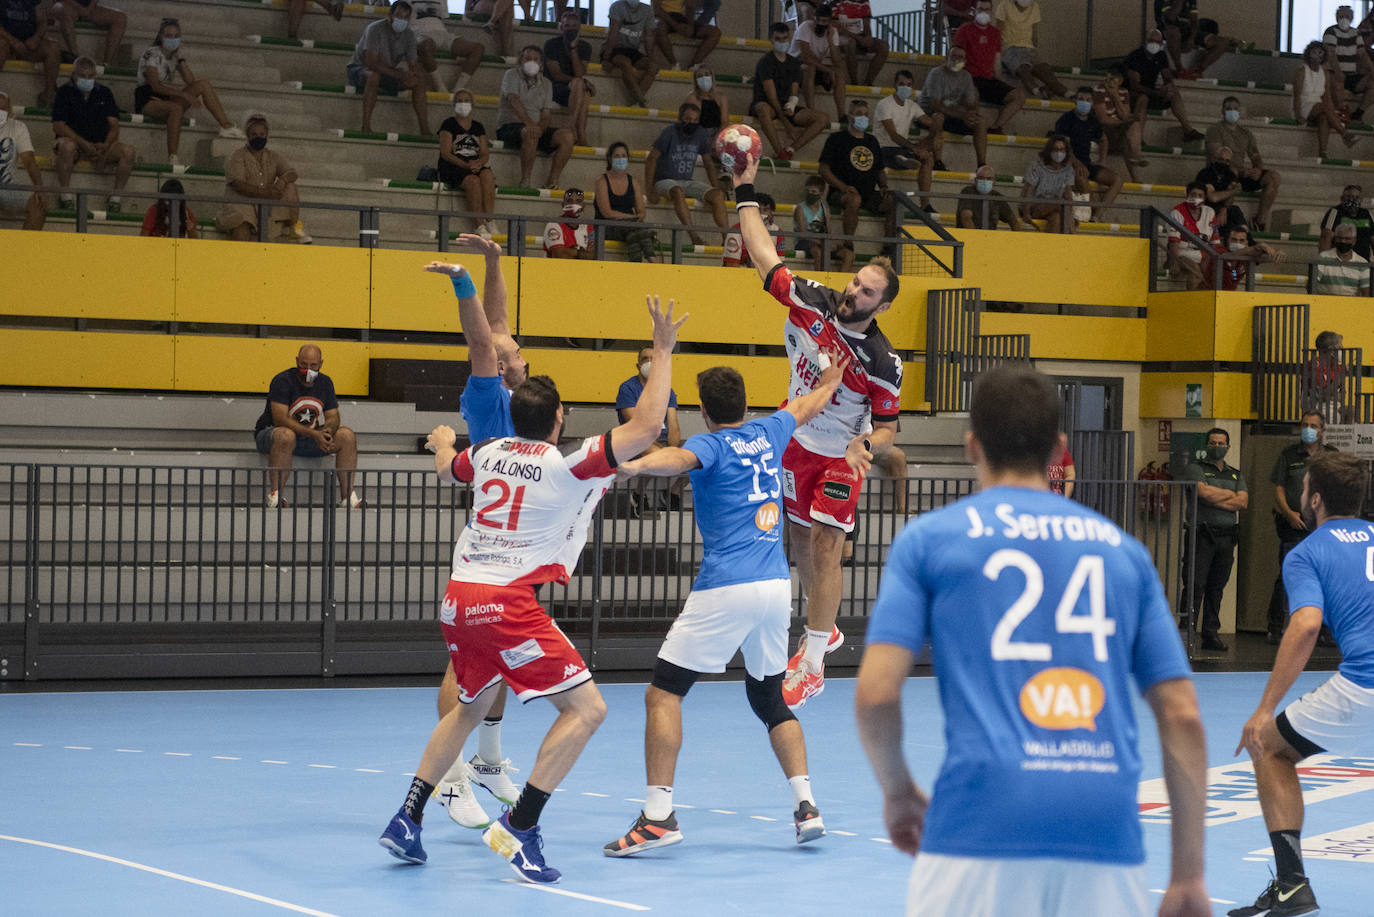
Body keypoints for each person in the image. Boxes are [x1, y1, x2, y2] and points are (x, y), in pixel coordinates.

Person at [854, 365, 1209, 917]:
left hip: (976, 827)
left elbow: (876, 694)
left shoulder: (930, 540)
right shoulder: (1124, 553)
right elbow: (1182, 715)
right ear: (1059, 449)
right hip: (1103, 835)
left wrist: (899, 792)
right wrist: (1187, 873)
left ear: (972, 446)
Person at [375, 290, 688, 886]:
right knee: (587, 709)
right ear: (559, 418)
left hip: (458, 598)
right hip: (505, 602)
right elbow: (648, 424)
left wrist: (443, 442)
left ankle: (408, 817)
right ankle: (521, 825)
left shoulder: (488, 451)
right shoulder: (568, 464)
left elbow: (448, 468)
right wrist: (664, 350)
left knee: (467, 707)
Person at [603, 355, 848, 857]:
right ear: (744, 403)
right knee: (769, 698)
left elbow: (678, 460)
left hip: (726, 586)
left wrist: (636, 463)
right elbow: (809, 404)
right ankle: (807, 806)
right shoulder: (771, 430)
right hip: (776, 586)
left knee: (664, 694)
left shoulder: (707, 444)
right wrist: (834, 377)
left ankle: (657, 817)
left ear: (702, 410)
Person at [732, 153, 904, 710]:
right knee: (801, 540)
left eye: (868, 292)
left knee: (828, 546)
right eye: (856, 283)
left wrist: (867, 445)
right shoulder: (812, 301)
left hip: (841, 455)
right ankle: (822, 628)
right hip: (796, 438)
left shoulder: (882, 361)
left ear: (882, 305)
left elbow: (889, 427)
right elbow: (762, 256)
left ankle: (811, 660)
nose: (855, 293)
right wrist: (744, 189)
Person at [1231, 451, 1372, 917]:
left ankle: (1292, 885)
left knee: (1270, 748)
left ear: (1313, 499)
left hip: (1364, 683)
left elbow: (1307, 625)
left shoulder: (1307, 552)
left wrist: (1264, 708)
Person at [426, 234, 529, 831]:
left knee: (507, 657)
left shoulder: (523, 385)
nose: (502, 343)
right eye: (500, 347)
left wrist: (494, 262)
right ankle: (452, 776)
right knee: (464, 668)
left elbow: (497, 320)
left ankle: (488, 760)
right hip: (486, 551)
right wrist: (464, 280)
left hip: (525, 545)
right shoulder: (490, 396)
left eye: (507, 346)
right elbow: (480, 333)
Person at [253, 344, 362, 509]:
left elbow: (333, 416)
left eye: (313, 366)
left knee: (346, 435)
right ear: (297, 361)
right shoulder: (282, 380)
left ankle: (348, 498)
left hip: (309, 437)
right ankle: (275, 496)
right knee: (285, 435)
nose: (308, 370)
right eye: (303, 365)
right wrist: (314, 435)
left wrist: (327, 432)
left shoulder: (325, 382)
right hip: (271, 434)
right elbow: (280, 418)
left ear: (321, 364)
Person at [1266, 411, 1337, 647]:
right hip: (1293, 527)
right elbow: (1278, 490)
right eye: (1305, 425)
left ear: (1322, 430)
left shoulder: (1332, 456)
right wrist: (1289, 514)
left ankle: (1324, 630)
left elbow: (1338, 488)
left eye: (1314, 425)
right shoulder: (1288, 455)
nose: (1309, 429)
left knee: (1325, 578)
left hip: (1322, 528)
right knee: (1287, 576)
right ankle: (1275, 627)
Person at [136, 18, 245, 164]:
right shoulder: (152, 53)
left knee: (203, 84)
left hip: (165, 97)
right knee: (176, 108)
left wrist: (180, 60)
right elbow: (155, 86)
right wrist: (184, 94)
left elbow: (191, 81)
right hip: (148, 97)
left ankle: (226, 126)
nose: (173, 39)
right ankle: (172, 157)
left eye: (176, 36)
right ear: (161, 36)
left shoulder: (175, 57)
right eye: (169, 36)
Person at [1179, 426, 1246, 651]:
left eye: (1221, 444)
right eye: (1213, 443)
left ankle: (1210, 634)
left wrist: (1215, 496)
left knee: (1217, 587)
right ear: (1207, 445)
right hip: (1202, 535)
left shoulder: (1235, 473)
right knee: (1194, 585)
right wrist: (1229, 495)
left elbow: (1243, 502)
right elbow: (1202, 493)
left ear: (1228, 446)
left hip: (1226, 538)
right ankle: (1186, 633)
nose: (1217, 447)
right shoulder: (1195, 469)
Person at [51, 57, 133, 214]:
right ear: (74, 75)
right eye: (83, 76)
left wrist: (106, 145)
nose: (87, 79)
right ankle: (65, 195)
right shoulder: (63, 92)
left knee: (128, 152)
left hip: (100, 145)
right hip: (75, 143)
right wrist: (83, 144)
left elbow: (114, 126)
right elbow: (59, 126)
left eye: (90, 76)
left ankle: (116, 197)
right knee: (67, 147)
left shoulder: (104, 92)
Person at [819, 99, 897, 252]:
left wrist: (884, 187)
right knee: (854, 199)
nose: (863, 117)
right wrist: (843, 187)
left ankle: (888, 245)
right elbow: (823, 169)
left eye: (866, 114)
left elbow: (879, 169)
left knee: (894, 201)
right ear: (850, 116)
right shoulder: (836, 139)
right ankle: (848, 242)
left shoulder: (872, 141)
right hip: (841, 192)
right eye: (859, 113)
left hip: (868, 192)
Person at [645, 102, 727, 245]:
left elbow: (708, 162)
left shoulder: (700, 133)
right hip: (665, 180)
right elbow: (651, 159)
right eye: (688, 119)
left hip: (687, 181)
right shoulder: (669, 132)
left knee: (718, 195)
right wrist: (650, 189)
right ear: (680, 118)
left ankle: (727, 240)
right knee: (677, 191)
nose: (692, 123)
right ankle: (694, 236)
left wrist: (715, 186)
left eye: (695, 120)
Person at [616, 344, 685, 514]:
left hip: (661, 440)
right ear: (638, 365)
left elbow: (673, 424)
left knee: (699, 456)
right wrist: (662, 452)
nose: (649, 362)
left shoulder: (667, 390)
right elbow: (634, 425)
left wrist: (672, 448)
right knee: (658, 457)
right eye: (645, 359)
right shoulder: (628, 388)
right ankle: (639, 494)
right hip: (635, 440)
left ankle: (673, 492)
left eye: (653, 359)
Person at [219, 114, 309, 244]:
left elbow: (292, 173)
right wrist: (267, 193)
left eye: (262, 134)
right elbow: (238, 185)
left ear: (267, 136)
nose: (258, 137)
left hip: (266, 202)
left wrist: (282, 181)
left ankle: (295, 228)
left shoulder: (273, 156)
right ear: (247, 136)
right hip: (241, 204)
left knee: (291, 187)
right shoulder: (237, 156)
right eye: (254, 134)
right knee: (241, 231)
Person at [348, 2, 430, 137]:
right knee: (373, 76)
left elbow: (413, 64)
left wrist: (411, 75)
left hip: (387, 72)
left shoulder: (409, 35)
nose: (401, 20)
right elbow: (371, 63)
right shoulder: (375, 29)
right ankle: (366, 126)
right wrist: (398, 75)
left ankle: (425, 130)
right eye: (398, 15)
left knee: (418, 81)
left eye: (405, 17)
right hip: (359, 69)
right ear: (390, 15)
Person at [497, 45, 574, 190]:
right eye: (527, 58)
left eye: (535, 59)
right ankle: (525, 181)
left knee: (567, 136)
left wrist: (539, 128)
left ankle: (552, 181)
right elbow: (513, 100)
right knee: (530, 133)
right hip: (510, 126)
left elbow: (546, 114)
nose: (531, 61)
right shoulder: (511, 74)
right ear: (521, 60)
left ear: (541, 63)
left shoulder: (546, 83)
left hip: (534, 128)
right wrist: (530, 125)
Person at [752, 21, 827, 162]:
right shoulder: (765, 62)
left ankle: (791, 149)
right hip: (768, 104)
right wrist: (787, 125)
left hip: (785, 106)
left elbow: (794, 92)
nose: (782, 42)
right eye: (778, 39)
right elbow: (771, 97)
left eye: (785, 38)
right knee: (762, 109)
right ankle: (779, 151)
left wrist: (792, 106)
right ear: (771, 40)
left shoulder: (793, 63)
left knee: (822, 118)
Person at [1204, 97, 1281, 230]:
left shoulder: (1245, 133)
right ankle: (1225, 216)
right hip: (1221, 174)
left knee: (1274, 177)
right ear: (1222, 110)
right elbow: (1217, 157)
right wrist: (1241, 171)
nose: (1232, 112)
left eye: (1235, 109)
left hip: (1242, 173)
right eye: (1228, 109)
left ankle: (1259, 221)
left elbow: (1255, 155)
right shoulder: (1214, 129)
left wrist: (1257, 169)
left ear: (1239, 111)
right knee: (1232, 173)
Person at [953, 0, 1025, 135]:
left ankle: (996, 127)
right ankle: (971, 127)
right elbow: (955, 57)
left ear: (991, 12)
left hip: (988, 80)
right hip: (968, 78)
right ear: (974, 10)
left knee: (1019, 96)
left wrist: (1002, 82)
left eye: (987, 10)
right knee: (972, 96)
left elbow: (997, 63)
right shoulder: (965, 30)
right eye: (980, 9)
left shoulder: (995, 34)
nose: (983, 12)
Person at [1123, 29, 1204, 142]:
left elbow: (1167, 75)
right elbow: (1134, 85)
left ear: (1161, 44)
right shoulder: (1135, 56)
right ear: (1145, 41)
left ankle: (1188, 130)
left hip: (1150, 92)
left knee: (1173, 92)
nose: (1153, 44)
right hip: (1132, 95)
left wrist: (1168, 86)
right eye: (1151, 41)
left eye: (1157, 42)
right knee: (1143, 98)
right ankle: (1138, 138)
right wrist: (1156, 92)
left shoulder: (1161, 56)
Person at [438, 88, 495, 239]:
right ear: (454, 104)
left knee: (487, 174)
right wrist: (466, 166)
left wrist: (479, 163)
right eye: (460, 101)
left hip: (473, 164)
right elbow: (445, 152)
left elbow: (484, 152)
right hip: (454, 166)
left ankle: (490, 219)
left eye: (466, 101)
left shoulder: (478, 126)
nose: (463, 104)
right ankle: (478, 224)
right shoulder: (448, 124)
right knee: (473, 181)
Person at [919, 45, 989, 169]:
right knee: (938, 117)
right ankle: (938, 162)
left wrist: (971, 114)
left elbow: (971, 103)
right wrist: (962, 115)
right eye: (954, 56)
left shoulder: (966, 77)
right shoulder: (936, 73)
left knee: (980, 122)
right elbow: (935, 105)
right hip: (929, 115)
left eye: (960, 57)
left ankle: (982, 165)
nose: (957, 60)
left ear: (965, 61)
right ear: (947, 57)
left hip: (953, 116)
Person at [873, 70, 934, 211]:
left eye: (909, 84)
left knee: (928, 158)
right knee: (888, 154)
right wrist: (914, 148)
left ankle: (925, 204)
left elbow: (928, 121)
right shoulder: (885, 104)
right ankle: (902, 158)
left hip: (902, 148)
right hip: (882, 148)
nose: (905, 87)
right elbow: (893, 135)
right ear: (895, 85)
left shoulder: (912, 105)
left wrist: (937, 122)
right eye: (901, 84)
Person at [1055, 85, 1122, 213]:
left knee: (1117, 180)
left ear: (1092, 103)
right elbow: (1063, 147)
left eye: (1088, 100)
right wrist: (1077, 163)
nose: (1084, 102)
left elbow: (1103, 139)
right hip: (1068, 165)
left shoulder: (1093, 120)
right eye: (1081, 99)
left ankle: (1098, 215)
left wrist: (1102, 160)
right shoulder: (1065, 120)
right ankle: (1094, 209)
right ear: (1075, 101)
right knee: (1081, 177)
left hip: (1087, 164)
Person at [596, 141, 658, 263]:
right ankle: (652, 258)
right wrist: (632, 218)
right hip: (607, 226)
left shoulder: (633, 181)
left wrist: (634, 219)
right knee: (638, 229)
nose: (621, 159)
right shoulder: (601, 181)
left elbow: (641, 212)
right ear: (609, 158)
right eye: (617, 156)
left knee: (633, 236)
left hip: (631, 227)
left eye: (624, 156)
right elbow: (607, 213)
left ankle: (636, 264)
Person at [993, 0, 1067, 100]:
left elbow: (1034, 34)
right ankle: (1036, 90)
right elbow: (998, 32)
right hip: (1009, 47)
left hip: (1028, 47)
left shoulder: (1034, 6)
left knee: (1043, 67)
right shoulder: (1004, 6)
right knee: (1023, 66)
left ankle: (1064, 91)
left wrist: (1035, 51)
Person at [1294, 41, 1354, 159]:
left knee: (1324, 118)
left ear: (1324, 56)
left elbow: (1327, 96)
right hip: (1304, 105)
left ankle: (1323, 153)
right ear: (1308, 54)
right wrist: (1297, 115)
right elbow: (1297, 95)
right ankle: (1344, 134)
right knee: (1324, 107)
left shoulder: (1325, 73)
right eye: (1314, 52)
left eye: (1320, 53)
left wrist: (1332, 114)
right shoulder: (1301, 71)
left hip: (1320, 107)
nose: (1317, 55)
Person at [543, 9, 594, 147]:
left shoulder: (584, 46)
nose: (570, 29)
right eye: (567, 26)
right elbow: (556, 75)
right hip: (553, 88)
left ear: (579, 28)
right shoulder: (551, 44)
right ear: (561, 28)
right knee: (582, 87)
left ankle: (574, 129)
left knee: (584, 91)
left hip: (573, 90)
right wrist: (580, 82)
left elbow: (579, 73)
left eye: (573, 26)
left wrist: (573, 49)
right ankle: (579, 133)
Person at [411, 0, 483, 96]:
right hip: (420, 33)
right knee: (425, 45)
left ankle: (457, 89)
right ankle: (440, 88)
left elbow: (442, 18)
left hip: (443, 33)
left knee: (477, 48)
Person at [790, 2, 847, 122]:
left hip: (817, 66)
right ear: (814, 18)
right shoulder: (805, 27)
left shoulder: (833, 32)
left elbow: (837, 62)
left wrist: (831, 42)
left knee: (839, 72)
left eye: (824, 21)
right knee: (809, 68)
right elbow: (806, 57)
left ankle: (842, 115)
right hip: (795, 66)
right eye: (818, 20)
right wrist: (826, 70)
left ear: (830, 22)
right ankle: (811, 110)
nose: (821, 24)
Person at [0, 90, 45, 231]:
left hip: (7, 187)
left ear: (10, 109)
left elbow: (29, 160)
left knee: (37, 205)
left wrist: (39, 189)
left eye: (3, 108)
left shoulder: (18, 127)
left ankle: (25, 251)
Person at [1156, 0, 1236, 79]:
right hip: (1168, 33)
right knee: (1173, 31)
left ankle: (1197, 71)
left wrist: (1191, 39)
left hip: (1187, 32)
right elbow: (1170, 19)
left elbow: (1194, 21)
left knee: (1223, 42)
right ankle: (1180, 69)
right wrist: (1179, 2)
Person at [0, 0, 59, 106]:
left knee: (53, 49)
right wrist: (13, 41)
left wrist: (37, 38)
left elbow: (42, 22)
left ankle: (48, 96)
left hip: (28, 45)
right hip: (6, 43)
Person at [1094, 66, 1147, 182]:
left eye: (1113, 78)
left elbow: (1125, 115)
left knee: (1133, 126)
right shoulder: (1099, 90)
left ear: (1121, 80)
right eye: (1108, 77)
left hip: (1119, 127)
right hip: (1104, 128)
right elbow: (1102, 119)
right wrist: (1122, 122)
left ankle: (1135, 160)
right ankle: (1135, 158)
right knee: (1128, 129)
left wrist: (1115, 96)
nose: (1109, 81)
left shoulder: (1123, 92)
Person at [603, 0, 658, 107]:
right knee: (625, 62)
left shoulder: (647, 10)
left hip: (633, 50)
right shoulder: (617, 6)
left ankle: (637, 99)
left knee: (653, 66)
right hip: (616, 49)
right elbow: (613, 33)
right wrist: (606, 57)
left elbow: (649, 36)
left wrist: (651, 58)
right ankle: (638, 95)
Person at [1323, 5, 1374, 119]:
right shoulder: (1331, 31)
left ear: (1352, 18)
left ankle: (1359, 113)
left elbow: (1362, 54)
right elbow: (1331, 54)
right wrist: (1338, 72)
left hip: (1352, 75)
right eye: (1341, 16)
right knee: (1337, 83)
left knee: (1372, 85)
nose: (1344, 19)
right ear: (1336, 17)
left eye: (1347, 16)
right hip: (1335, 74)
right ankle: (1341, 112)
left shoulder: (1356, 33)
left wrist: (1372, 70)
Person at [794, 174, 851, 271]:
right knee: (819, 252)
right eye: (808, 191)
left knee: (848, 254)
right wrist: (822, 243)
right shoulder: (800, 208)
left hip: (823, 242)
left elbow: (828, 231)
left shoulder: (825, 209)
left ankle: (839, 283)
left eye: (813, 191)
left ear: (820, 193)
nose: (810, 194)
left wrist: (834, 243)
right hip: (806, 242)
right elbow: (802, 233)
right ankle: (819, 281)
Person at [1021, 134, 1077, 234]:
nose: (1059, 152)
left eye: (1062, 149)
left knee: (1056, 219)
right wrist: (1026, 213)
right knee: (1059, 202)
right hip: (1036, 206)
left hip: (1056, 208)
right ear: (1049, 150)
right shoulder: (1037, 166)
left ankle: (1053, 247)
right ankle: (1073, 235)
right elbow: (1029, 189)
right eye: (1056, 149)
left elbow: (1069, 194)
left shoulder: (1068, 169)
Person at [1167, 181, 1218, 290]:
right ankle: (1193, 302)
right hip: (1182, 254)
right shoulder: (1177, 212)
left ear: (1205, 198)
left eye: (1200, 195)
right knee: (1195, 270)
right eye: (1193, 195)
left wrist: (1208, 261)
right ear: (1187, 196)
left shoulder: (1210, 212)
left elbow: (1214, 242)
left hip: (1204, 255)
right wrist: (1174, 262)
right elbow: (1173, 242)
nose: (1196, 198)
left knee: (1218, 273)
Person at [1204, 223, 1282, 292]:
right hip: (1206, 294)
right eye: (1234, 240)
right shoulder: (1218, 250)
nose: (1238, 243)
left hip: (1228, 297)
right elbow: (1231, 255)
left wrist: (1277, 252)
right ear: (1226, 240)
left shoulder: (1246, 255)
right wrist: (1260, 246)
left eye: (1241, 241)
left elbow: (1267, 256)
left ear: (1246, 243)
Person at [651, 0, 720, 72]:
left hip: (680, 18)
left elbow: (689, 6)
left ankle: (693, 66)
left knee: (715, 32)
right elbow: (656, 9)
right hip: (664, 17)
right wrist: (676, 25)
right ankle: (674, 64)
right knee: (659, 28)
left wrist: (690, 26)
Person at [51, 0, 125, 66]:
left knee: (120, 18)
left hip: (87, 8)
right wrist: (79, 8)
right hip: (64, 4)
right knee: (66, 11)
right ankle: (75, 57)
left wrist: (88, 9)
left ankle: (107, 64)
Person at [832, 0, 888, 87]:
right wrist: (859, 38)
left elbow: (866, 23)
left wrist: (868, 37)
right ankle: (854, 82)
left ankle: (868, 83)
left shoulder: (864, 2)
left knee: (884, 46)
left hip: (858, 37)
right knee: (851, 44)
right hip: (841, 37)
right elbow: (836, 27)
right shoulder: (835, 2)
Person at [724, 192, 783, 268]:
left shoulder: (777, 232)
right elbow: (731, 266)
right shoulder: (736, 232)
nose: (761, 214)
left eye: (766, 210)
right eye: (757, 210)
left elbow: (779, 266)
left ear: (771, 213)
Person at [1194, 144, 1246, 230]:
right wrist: (1233, 191)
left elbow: (1230, 198)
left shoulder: (1230, 175)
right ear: (1215, 159)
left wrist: (1224, 208)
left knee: (1235, 211)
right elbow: (1213, 197)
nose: (1224, 163)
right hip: (1204, 208)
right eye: (1221, 159)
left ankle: (1245, 236)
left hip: (1221, 209)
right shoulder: (1205, 174)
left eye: (1227, 161)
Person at [957, 164, 1020, 230]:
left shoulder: (997, 197)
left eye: (989, 179)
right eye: (981, 178)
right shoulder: (968, 192)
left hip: (990, 238)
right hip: (969, 237)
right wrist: (975, 237)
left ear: (994, 182)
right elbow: (966, 218)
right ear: (976, 180)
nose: (985, 181)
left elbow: (1013, 221)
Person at [1318, 183, 1373, 259]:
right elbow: (1326, 237)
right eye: (1349, 196)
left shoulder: (1366, 214)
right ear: (1342, 198)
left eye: (1356, 197)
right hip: (1337, 260)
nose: (1352, 200)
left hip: (1362, 262)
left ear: (1361, 199)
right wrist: (1323, 261)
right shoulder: (1335, 212)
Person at [1302, 330, 1347, 422]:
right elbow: (1324, 394)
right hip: (1316, 409)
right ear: (1331, 350)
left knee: (1351, 412)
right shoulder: (1315, 364)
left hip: (1332, 406)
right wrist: (1339, 378)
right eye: (1340, 346)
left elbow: (1342, 396)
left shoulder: (1337, 367)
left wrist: (1333, 394)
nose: (1343, 349)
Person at [1314, 223, 1370, 296]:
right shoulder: (1323, 257)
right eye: (1340, 238)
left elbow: (1366, 293)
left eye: (1347, 239)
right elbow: (1313, 282)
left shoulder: (1362, 263)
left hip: (1351, 305)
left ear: (1354, 240)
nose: (1343, 241)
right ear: (1335, 239)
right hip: (1325, 303)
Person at [543, 187, 595, 259]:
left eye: (578, 201)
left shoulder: (589, 227)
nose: (574, 204)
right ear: (563, 205)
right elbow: (559, 255)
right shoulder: (554, 225)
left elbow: (593, 255)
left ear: (583, 206)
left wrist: (571, 251)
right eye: (569, 201)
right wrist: (581, 252)